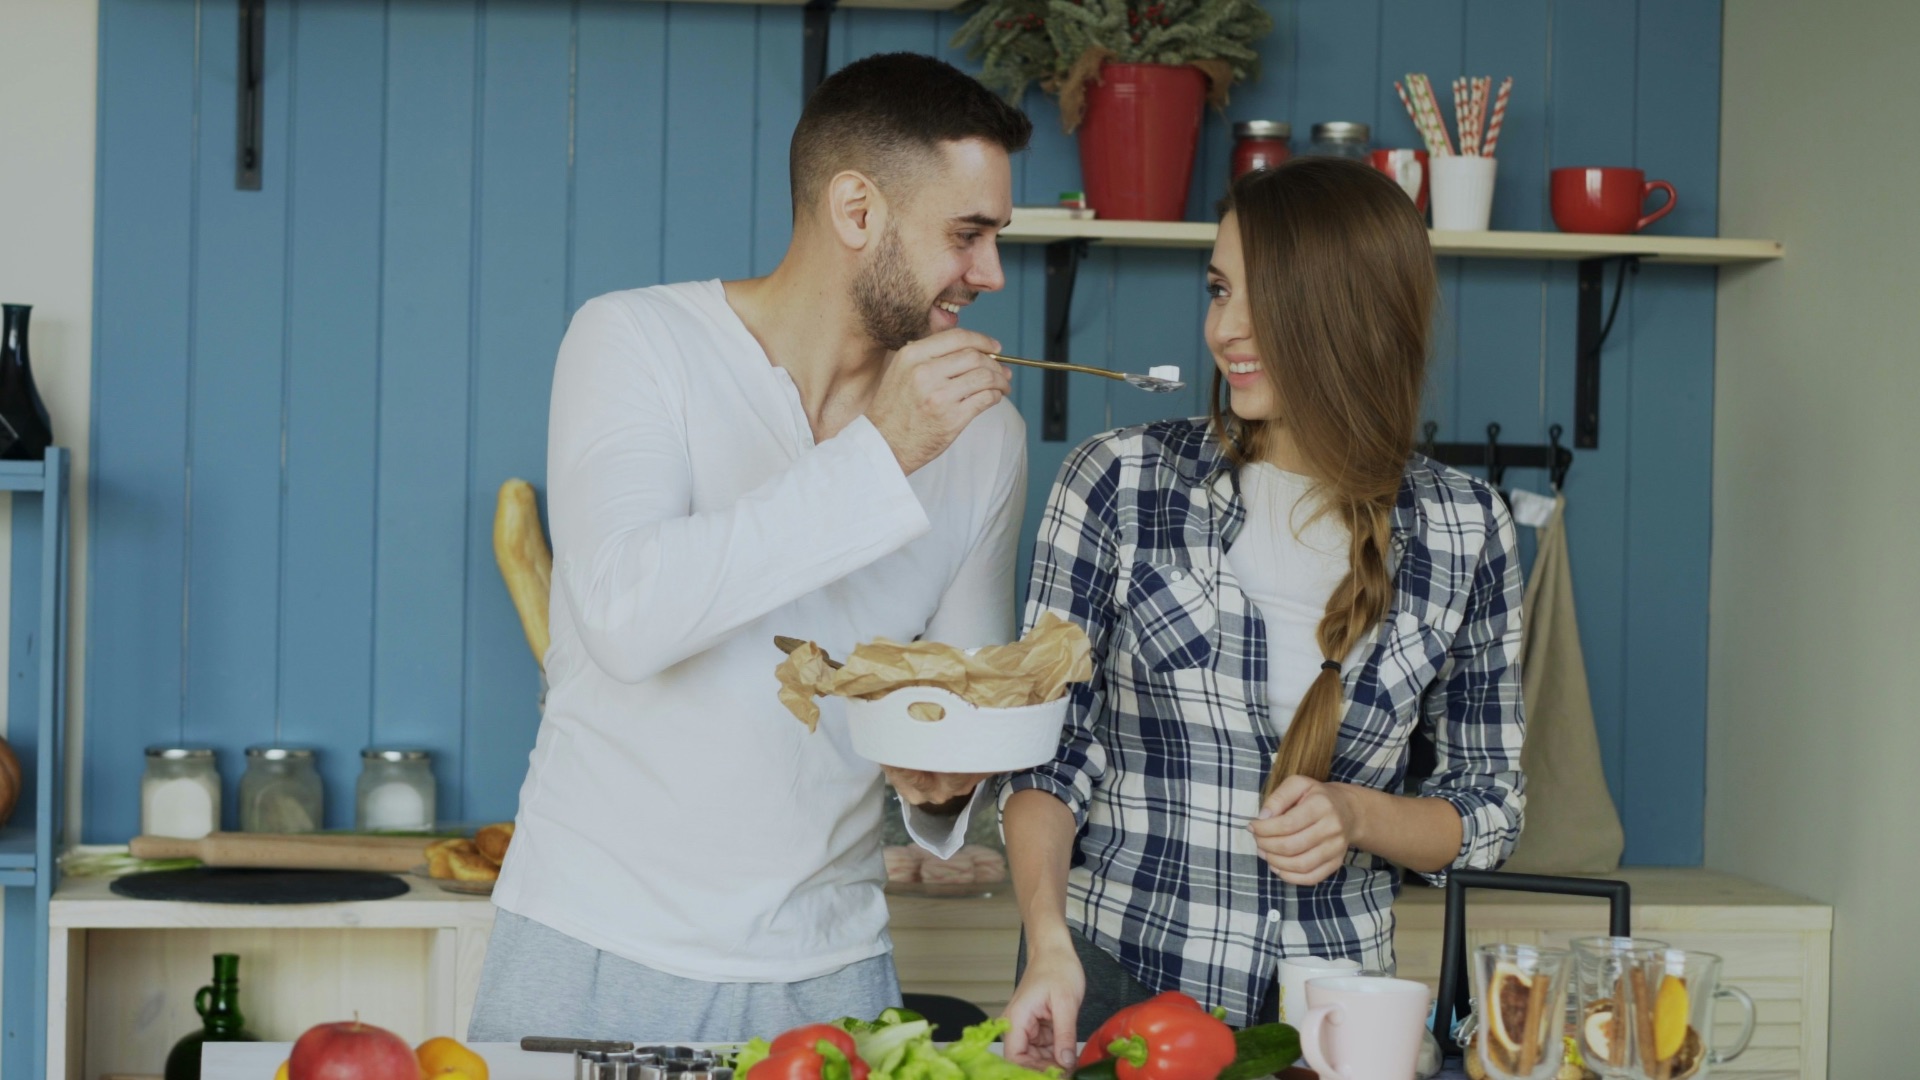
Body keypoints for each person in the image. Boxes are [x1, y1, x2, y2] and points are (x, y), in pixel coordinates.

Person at [469, 53, 1033, 1043]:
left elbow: (956, 699)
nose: (990, 273)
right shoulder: (633, 343)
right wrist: (886, 451)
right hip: (589, 941)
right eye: (968, 235)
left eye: (996, 238)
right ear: (855, 210)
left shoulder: (983, 434)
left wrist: (944, 779)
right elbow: (625, 617)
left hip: (830, 970)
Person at [999, 157, 1528, 1068]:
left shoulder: (1467, 526)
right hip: (1116, 980)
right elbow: (1048, 752)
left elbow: (1489, 803)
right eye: (1217, 289)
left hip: (1338, 1012)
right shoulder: (1119, 482)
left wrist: (1357, 815)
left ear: (1352, 312)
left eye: (1262, 297)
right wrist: (1047, 941)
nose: (1224, 329)